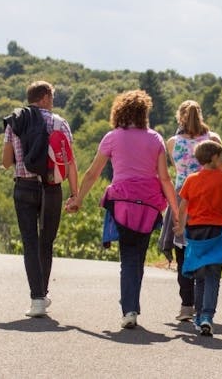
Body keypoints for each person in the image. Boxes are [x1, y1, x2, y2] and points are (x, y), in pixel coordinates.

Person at [66, 89, 179, 329]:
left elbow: (93, 172)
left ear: (119, 112)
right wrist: (176, 211)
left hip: (122, 202)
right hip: (149, 204)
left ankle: (129, 309)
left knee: (128, 256)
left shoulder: (112, 137)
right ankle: (131, 304)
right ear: (144, 113)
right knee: (137, 256)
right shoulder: (156, 139)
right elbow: (165, 178)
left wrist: (78, 198)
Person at [2, 80, 78, 318]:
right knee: (46, 242)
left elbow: (6, 162)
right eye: (52, 97)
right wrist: (75, 194)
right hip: (51, 189)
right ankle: (42, 295)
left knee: (30, 242)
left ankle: (37, 299)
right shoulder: (59, 123)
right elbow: (70, 163)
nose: (53, 102)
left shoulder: (15, 121)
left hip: (23, 187)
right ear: (44, 97)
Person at [158, 100, 221, 322]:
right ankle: (204, 304)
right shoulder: (213, 140)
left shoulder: (173, 142)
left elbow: (178, 170)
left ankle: (186, 305)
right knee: (205, 249)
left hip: (182, 197)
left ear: (179, 118)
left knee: (183, 252)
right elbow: (220, 170)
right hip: (209, 199)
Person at [173, 140, 222, 336]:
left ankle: (198, 316)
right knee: (214, 275)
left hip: (196, 232)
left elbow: (183, 206)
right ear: (214, 158)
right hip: (219, 232)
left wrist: (180, 226)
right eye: (221, 156)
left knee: (199, 275)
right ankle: (206, 316)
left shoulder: (191, 180)